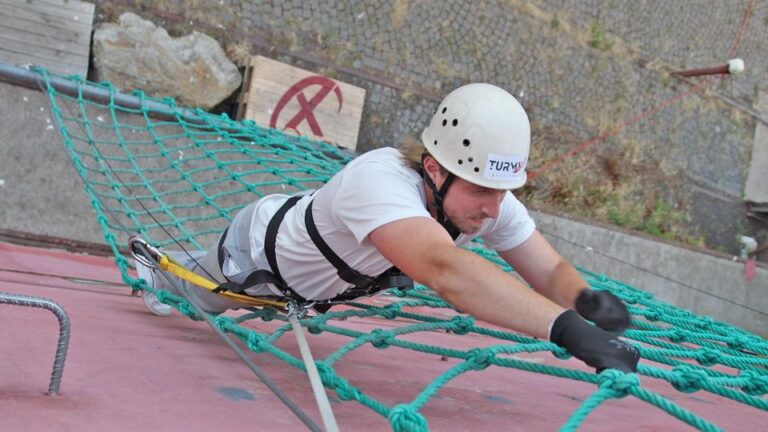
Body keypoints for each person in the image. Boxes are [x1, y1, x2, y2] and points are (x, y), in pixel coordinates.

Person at [137, 83, 639, 373]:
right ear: (434, 169)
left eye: (501, 192)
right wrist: (566, 330)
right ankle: (153, 268)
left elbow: (544, 266)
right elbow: (448, 271)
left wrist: (583, 299)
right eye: (481, 190)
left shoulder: (484, 200)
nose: (493, 208)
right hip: (257, 257)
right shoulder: (378, 180)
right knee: (193, 296)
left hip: (316, 287)